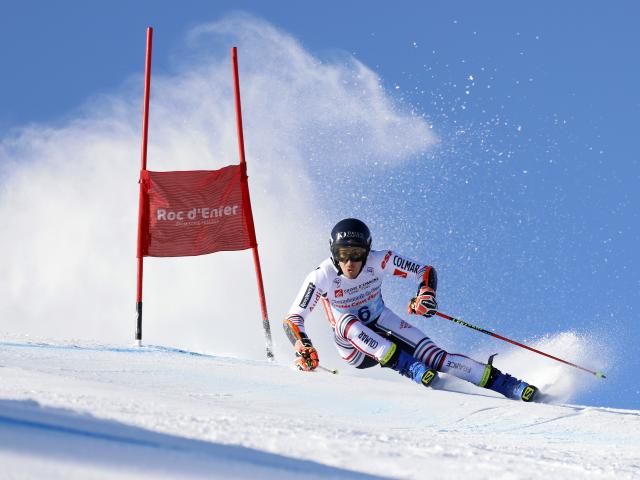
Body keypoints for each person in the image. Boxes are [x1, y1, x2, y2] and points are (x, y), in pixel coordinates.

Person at [283, 218, 538, 402]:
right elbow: (293, 319)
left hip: (382, 321)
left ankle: (510, 385)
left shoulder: (380, 260)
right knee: (345, 321)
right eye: (343, 254)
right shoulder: (322, 275)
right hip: (354, 348)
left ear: (367, 251)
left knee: (436, 357)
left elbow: (424, 271)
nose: (350, 262)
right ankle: (410, 367)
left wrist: (424, 294)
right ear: (333, 253)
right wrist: (303, 345)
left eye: (357, 253)